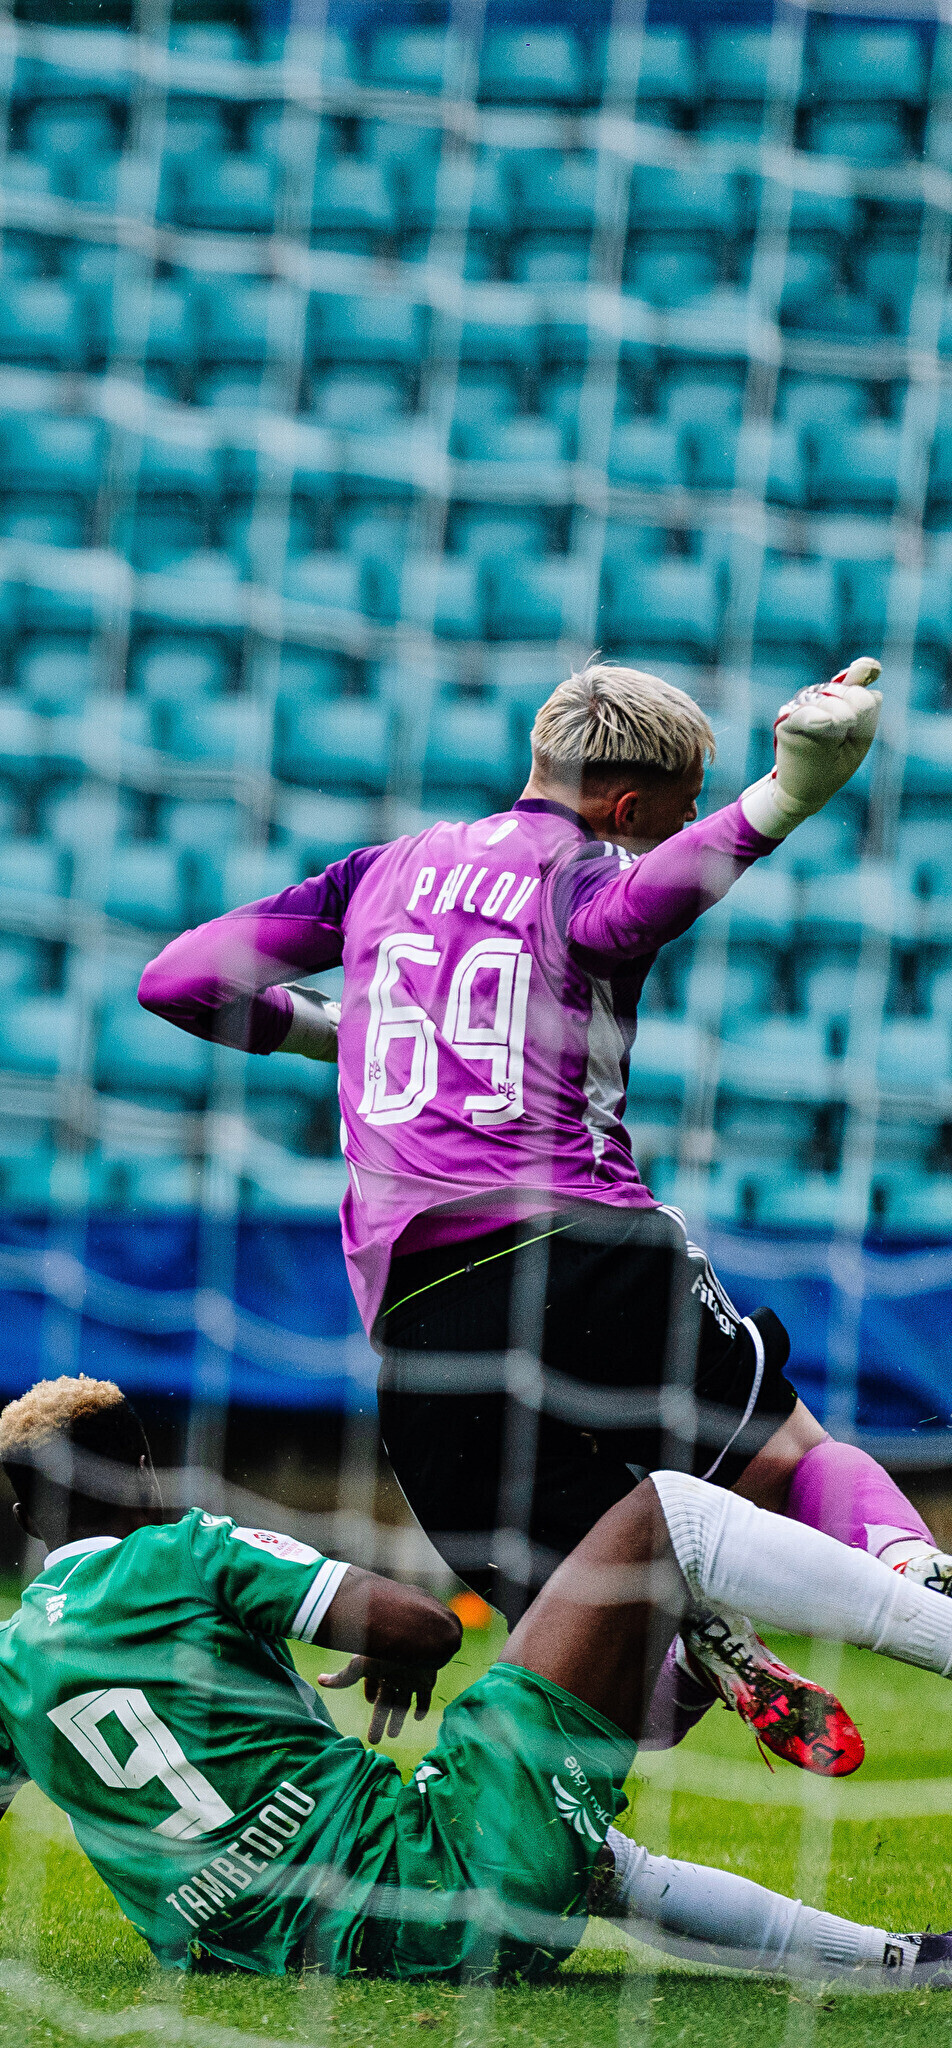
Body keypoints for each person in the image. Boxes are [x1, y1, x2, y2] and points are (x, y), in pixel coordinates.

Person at [136, 658, 939, 1774]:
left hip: (423, 1315)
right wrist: (788, 793)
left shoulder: (378, 872)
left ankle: (694, 1640)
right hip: (583, 1246)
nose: (683, 826)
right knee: (795, 1461)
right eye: (679, 808)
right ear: (628, 806)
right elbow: (635, 907)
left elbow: (177, 981)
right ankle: (910, 1570)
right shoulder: (585, 874)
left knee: (608, 1678)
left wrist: (334, 1030)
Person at [0, 1376, 952, 1984]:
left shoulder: (7, 1661)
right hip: (437, 1872)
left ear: (26, 1518)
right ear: (142, 1472)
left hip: (301, 1946)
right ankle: (897, 1609)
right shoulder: (185, 1550)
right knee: (668, 1513)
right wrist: (401, 1645)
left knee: (587, 1854)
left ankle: (902, 1962)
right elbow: (422, 1625)